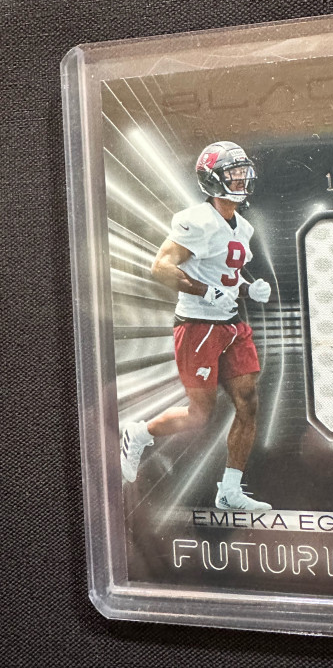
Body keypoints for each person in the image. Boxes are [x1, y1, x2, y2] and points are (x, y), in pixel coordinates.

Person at [120, 141, 272, 511]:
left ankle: (230, 490)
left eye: (243, 172)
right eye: (232, 173)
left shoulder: (243, 227)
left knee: (248, 404)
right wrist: (205, 292)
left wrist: (248, 288)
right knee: (200, 414)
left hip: (230, 323)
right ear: (213, 179)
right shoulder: (197, 220)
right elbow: (161, 267)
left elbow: (226, 275)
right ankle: (140, 433)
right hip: (198, 325)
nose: (241, 179)